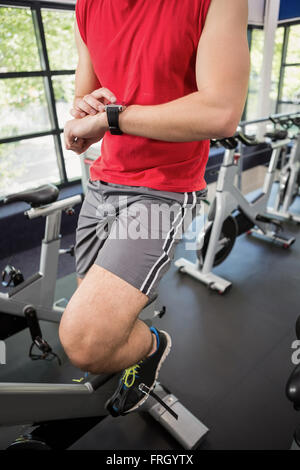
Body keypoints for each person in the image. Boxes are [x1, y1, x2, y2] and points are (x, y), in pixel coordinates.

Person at [60, 0, 250, 416]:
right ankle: (136, 347)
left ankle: (152, 345)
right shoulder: (87, 6)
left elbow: (221, 112)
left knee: (86, 340)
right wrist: (81, 118)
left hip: (161, 189)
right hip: (103, 183)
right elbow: (84, 97)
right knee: (97, 316)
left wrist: (112, 118)